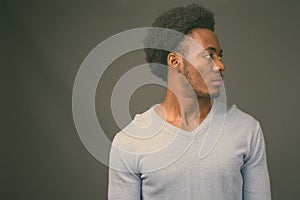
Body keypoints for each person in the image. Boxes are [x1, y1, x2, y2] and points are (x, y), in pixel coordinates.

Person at [108, 4, 271, 200]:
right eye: (208, 55)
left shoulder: (246, 129)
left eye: (219, 56)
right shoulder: (129, 141)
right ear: (175, 62)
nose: (220, 65)